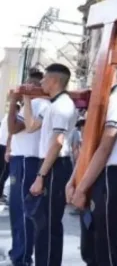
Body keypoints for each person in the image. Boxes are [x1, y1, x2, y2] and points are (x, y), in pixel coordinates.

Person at [65, 67, 117, 266]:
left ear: (112, 73)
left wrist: (81, 187)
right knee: (89, 242)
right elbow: (88, 146)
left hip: (107, 176)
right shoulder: (100, 103)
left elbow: (104, 149)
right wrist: (73, 181)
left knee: (103, 241)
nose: (92, 74)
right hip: (91, 173)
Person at [28, 63, 78, 266]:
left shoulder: (62, 106)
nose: (41, 82)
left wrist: (41, 177)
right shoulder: (53, 105)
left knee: (48, 225)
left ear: (55, 81)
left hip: (55, 166)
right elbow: (31, 126)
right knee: (42, 223)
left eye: (45, 78)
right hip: (49, 164)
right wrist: (25, 96)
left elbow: (57, 143)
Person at [6, 69, 50, 266]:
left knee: (23, 211)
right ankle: (18, 252)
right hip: (20, 159)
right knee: (16, 210)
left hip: (28, 161)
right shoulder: (30, 104)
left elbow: (14, 127)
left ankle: (22, 257)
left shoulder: (40, 103)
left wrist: (14, 103)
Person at [0, 114, 10, 204]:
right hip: (4, 146)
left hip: (2, 145)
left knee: (3, 172)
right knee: (3, 172)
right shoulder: (11, 116)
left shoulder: (7, 116)